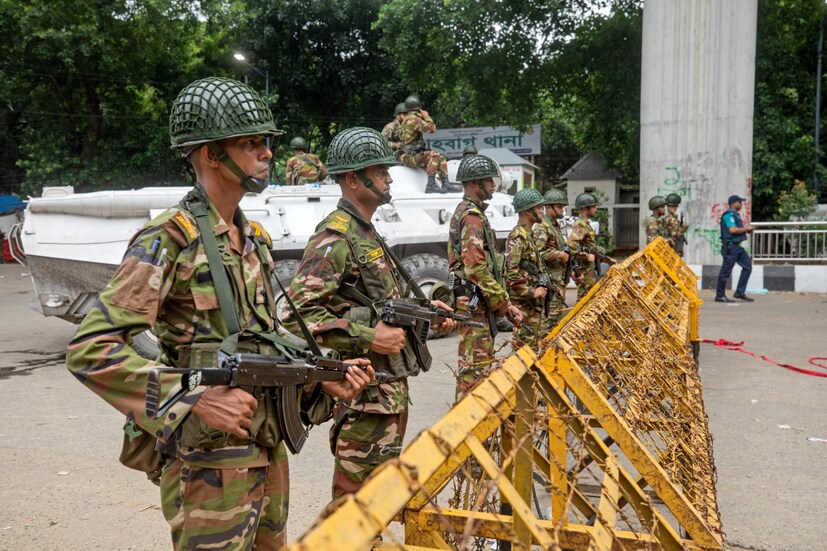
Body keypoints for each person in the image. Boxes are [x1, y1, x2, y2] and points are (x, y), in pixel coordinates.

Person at [64, 77, 373, 550]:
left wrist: (319, 376)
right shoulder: (170, 239)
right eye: (251, 143)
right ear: (211, 155)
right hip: (208, 466)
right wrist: (192, 395)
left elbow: (262, 345)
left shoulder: (255, 240)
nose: (267, 153)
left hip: (267, 449)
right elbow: (91, 350)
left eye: (266, 143)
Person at [282, 126, 456, 499]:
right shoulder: (336, 235)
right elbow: (298, 313)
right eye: (379, 172)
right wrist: (369, 336)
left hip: (388, 392)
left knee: (377, 501)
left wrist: (425, 311)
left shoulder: (366, 232)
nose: (389, 177)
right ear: (353, 179)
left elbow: (379, 302)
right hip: (363, 397)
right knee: (353, 505)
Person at [448, 154, 523, 399]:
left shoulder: (472, 214)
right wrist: (503, 304)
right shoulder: (471, 216)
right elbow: (475, 269)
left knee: (478, 370)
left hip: (478, 304)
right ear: (473, 184)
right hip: (474, 305)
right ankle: (464, 431)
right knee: (474, 375)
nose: (493, 185)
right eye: (488, 181)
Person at [504, 188, 549, 349]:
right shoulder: (518, 236)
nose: (542, 211)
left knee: (531, 350)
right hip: (523, 307)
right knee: (522, 353)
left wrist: (543, 284)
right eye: (538, 208)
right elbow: (510, 273)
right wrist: (532, 291)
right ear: (527, 211)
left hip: (532, 307)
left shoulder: (528, 235)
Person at [397, 95, 455, 193]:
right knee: (434, 155)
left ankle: (446, 183)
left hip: (409, 155)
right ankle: (431, 185)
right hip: (409, 157)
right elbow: (432, 129)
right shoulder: (413, 119)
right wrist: (426, 115)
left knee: (441, 158)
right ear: (419, 109)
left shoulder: (408, 119)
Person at [533, 188, 571, 333]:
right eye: (559, 206)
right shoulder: (543, 227)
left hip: (558, 281)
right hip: (551, 283)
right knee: (548, 323)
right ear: (549, 207)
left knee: (554, 321)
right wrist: (559, 255)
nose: (563, 210)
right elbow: (537, 254)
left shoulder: (555, 226)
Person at [567, 192, 614, 301]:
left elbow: (592, 247)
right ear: (585, 208)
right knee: (584, 300)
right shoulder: (581, 225)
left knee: (588, 299)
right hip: (584, 269)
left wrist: (608, 259)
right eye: (593, 206)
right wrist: (586, 256)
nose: (596, 209)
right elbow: (571, 245)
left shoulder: (586, 224)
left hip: (588, 269)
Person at [715, 194, 754, 303]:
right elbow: (732, 230)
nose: (741, 204)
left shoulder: (735, 215)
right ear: (733, 203)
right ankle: (720, 295)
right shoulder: (729, 215)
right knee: (725, 272)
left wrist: (746, 229)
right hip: (731, 247)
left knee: (747, 267)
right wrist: (746, 229)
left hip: (737, 247)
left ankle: (739, 292)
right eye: (739, 202)